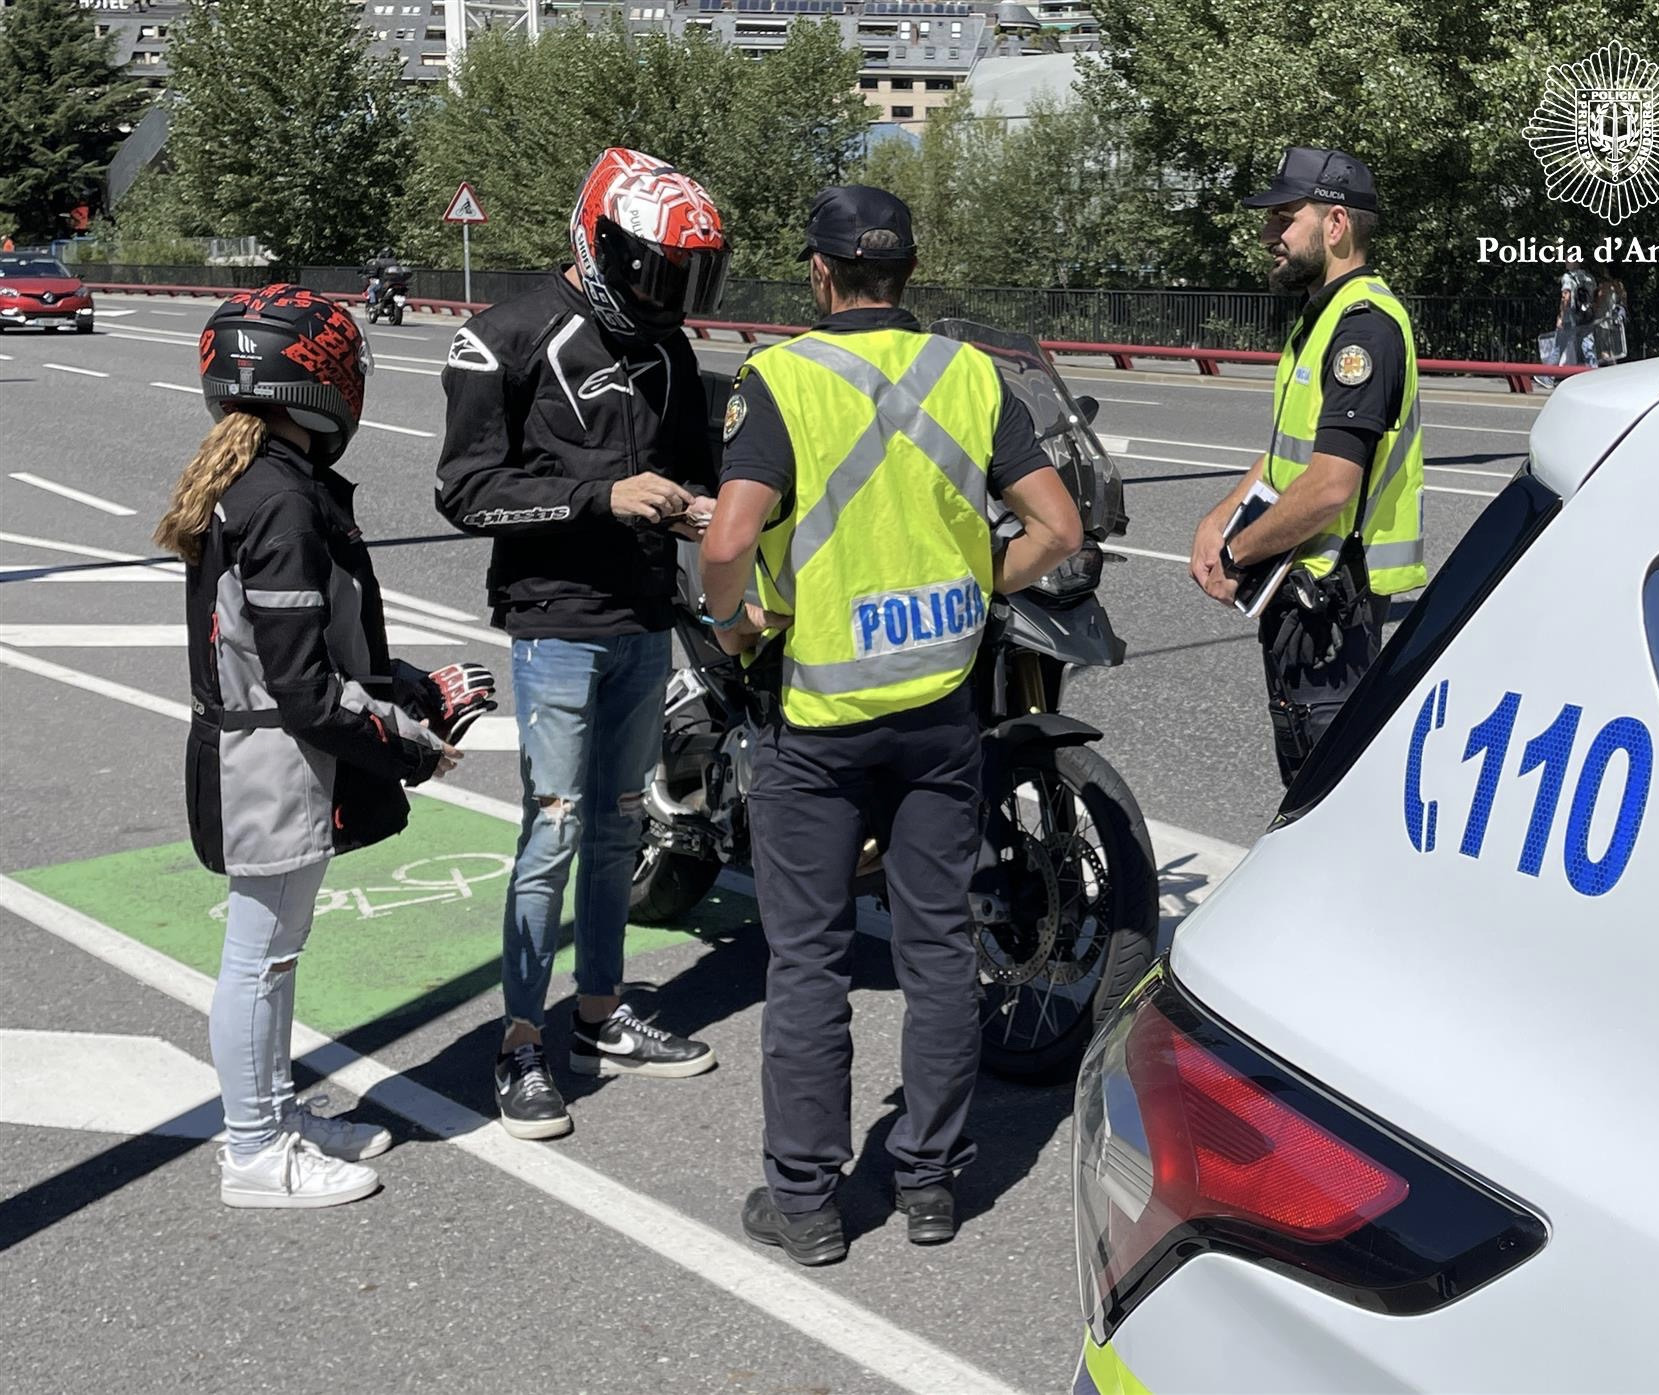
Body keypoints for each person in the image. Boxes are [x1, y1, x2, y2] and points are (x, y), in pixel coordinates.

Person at [699, 185, 1083, 1265]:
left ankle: (809, 1202)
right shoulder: (972, 376)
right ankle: (927, 1184)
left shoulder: (781, 379)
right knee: (936, 951)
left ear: (820, 275)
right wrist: (982, 586)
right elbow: (1058, 523)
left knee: (811, 961)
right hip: (937, 716)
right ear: (908, 273)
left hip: (816, 723)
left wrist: (736, 628)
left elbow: (728, 540)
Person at [155, 284, 496, 1208]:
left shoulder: (261, 479)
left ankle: (272, 1111)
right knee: (259, 958)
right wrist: (413, 746)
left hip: (263, 752)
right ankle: (256, 1149)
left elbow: (312, 651)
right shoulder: (281, 500)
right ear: (319, 383)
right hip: (267, 763)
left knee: (274, 952)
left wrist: (412, 688)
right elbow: (304, 684)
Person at [434, 148, 732, 1140]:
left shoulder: (669, 350)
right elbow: (466, 493)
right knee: (553, 829)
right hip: (557, 622)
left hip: (647, 619)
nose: (669, 295)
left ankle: (600, 1010)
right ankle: (522, 1040)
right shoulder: (501, 339)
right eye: (655, 270)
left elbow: (691, 467)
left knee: (617, 827)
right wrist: (602, 496)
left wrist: (697, 508)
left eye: (686, 278)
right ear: (597, 240)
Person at [1189, 147, 1426, 786]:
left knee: (1323, 793)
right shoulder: (1319, 320)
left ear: (1336, 225)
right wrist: (1220, 517)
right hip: (1304, 591)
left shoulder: (1363, 330)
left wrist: (1237, 554)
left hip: (1334, 603)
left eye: (1284, 218)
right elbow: (1288, 455)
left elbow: (1329, 486)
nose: (1268, 235)